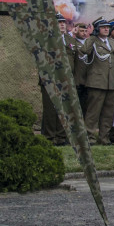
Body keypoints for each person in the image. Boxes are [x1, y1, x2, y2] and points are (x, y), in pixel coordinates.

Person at [81, 19, 114, 145]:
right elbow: (84, 50)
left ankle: (104, 137)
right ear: (98, 29)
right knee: (93, 112)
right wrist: (92, 36)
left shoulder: (113, 42)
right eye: (103, 27)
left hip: (111, 82)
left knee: (108, 113)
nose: (106, 29)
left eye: (108, 27)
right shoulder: (93, 41)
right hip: (97, 82)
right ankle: (90, 137)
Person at [40, 13, 69, 146]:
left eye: (63, 22)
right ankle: (50, 137)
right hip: (50, 79)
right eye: (59, 22)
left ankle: (61, 136)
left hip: (66, 80)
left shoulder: (69, 40)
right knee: (51, 110)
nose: (62, 24)